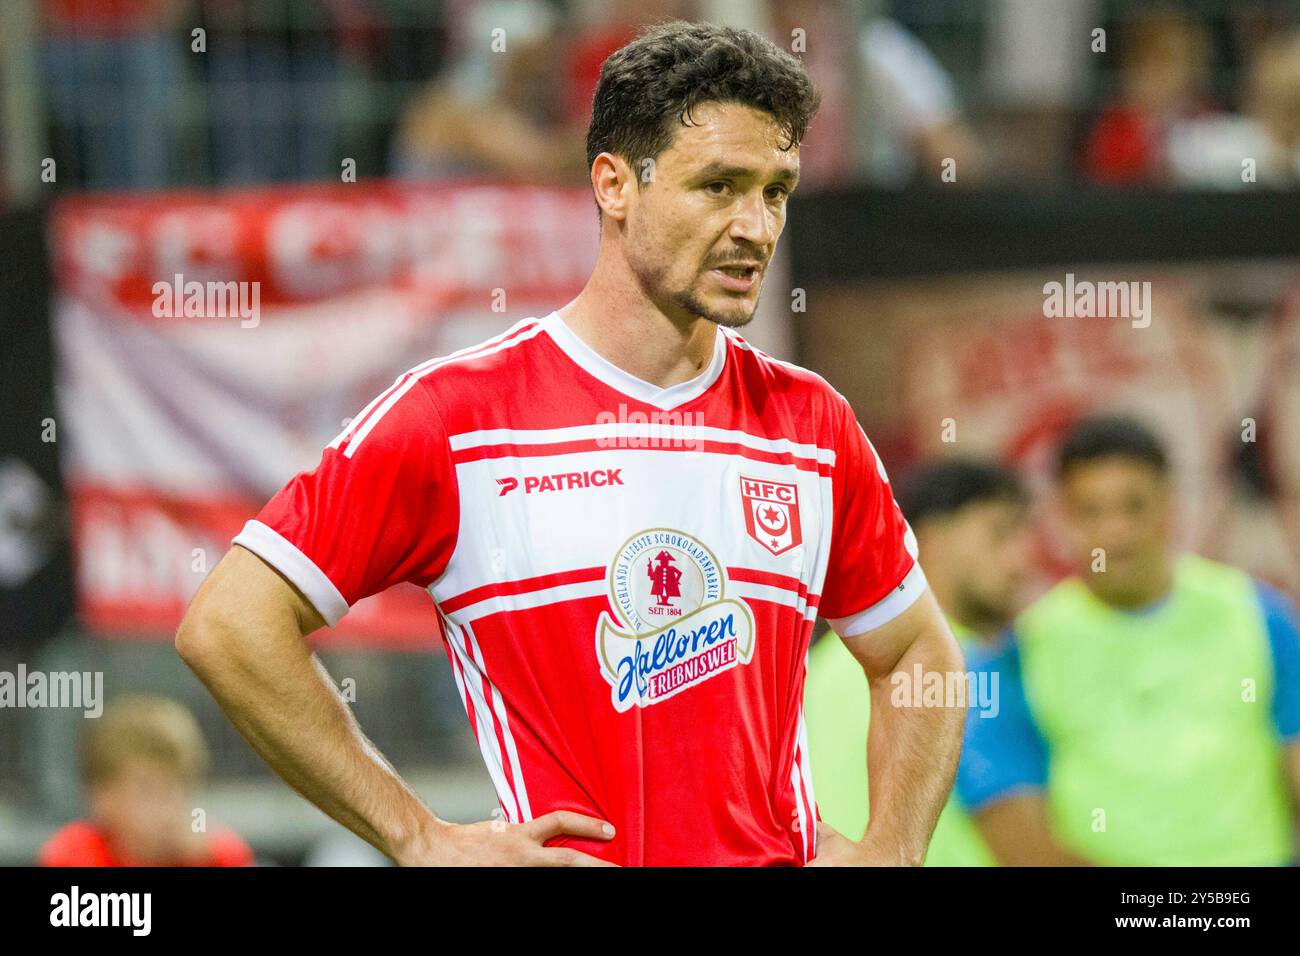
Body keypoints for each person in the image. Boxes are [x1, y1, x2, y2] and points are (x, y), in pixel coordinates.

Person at [177, 20, 965, 867]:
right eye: (719, 185)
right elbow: (230, 623)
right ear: (614, 184)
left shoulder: (812, 424)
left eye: (775, 190)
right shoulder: (460, 417)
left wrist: (894, 851)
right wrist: (417, 837)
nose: (755, 225)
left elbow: (919, 652)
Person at [958, 415, 1300, 865]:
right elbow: (1019, 837)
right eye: (1091, 511)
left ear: (1169, 504)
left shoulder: (1258, 615)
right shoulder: (1020, 654)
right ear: (1062, 519)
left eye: (1134, 506)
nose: (1115, 532)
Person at [806, 459, 1033, 866]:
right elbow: (1029, 852)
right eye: (999, 533)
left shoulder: (816, 670)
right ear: (933, 536)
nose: (1021, 561)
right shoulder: (972, 668)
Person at [40, 695, 253, 867]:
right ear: (102, 797)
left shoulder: (218, 854)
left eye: (178, 788)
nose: (168, 808)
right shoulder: (73, 854)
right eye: (148, 792)